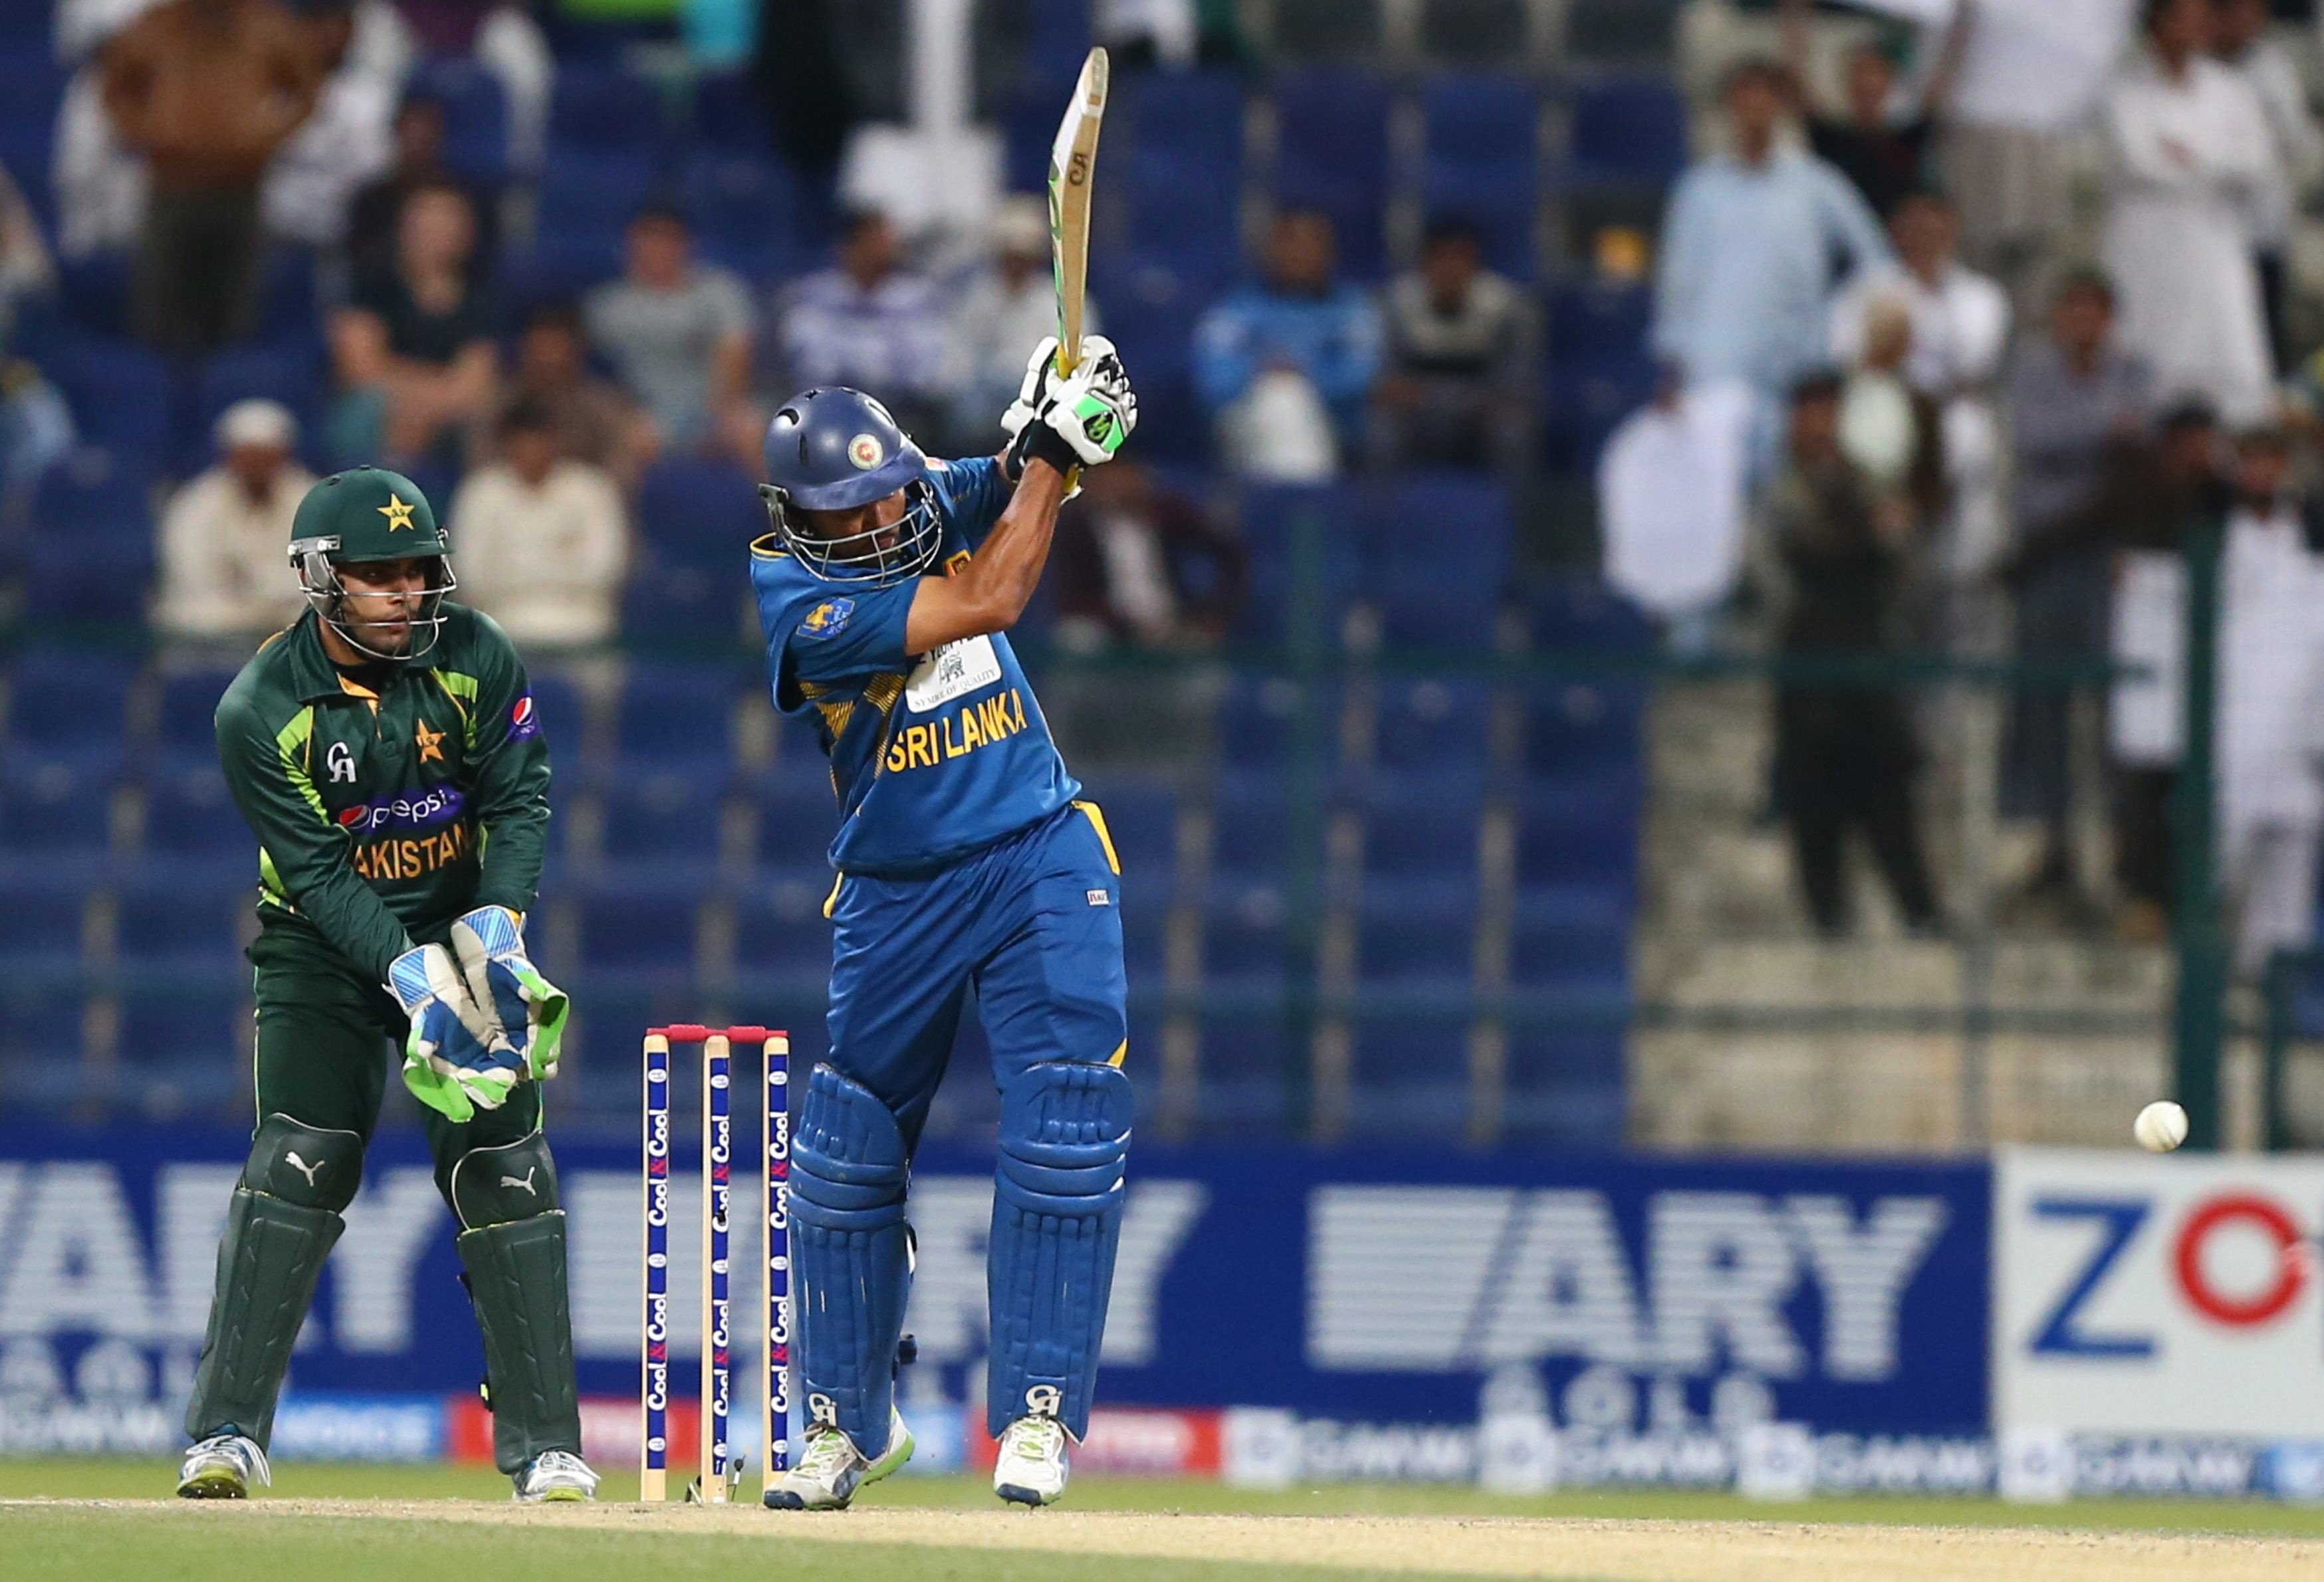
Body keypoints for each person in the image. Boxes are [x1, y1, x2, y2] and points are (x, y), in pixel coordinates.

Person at [746, 336, 1138, 1511]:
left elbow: (1017, 473)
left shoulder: (920, 496)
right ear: (797, 524)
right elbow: (993, 593)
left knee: (1067, 1119)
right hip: (897, 888)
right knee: (846, 1151)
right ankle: (844, 1431)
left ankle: (1036, 1419)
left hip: (1037, 849)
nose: (877, 528)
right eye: (846, 516)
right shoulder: (800, 601)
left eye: (886, 499)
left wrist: (1067, 420)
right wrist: (1053, 469)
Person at [178, 465, 592, 1504]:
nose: (408, 594)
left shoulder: (477, 655)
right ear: (322, 579)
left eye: (418, 571)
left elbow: (521, 793)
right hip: (321, 951)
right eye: (380, 577)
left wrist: (495, 929)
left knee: (508, 1167)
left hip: (460, 935)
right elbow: (316, 874)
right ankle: (225, 1435)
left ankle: (546, 1447)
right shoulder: (258, 711)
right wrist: (411, 976)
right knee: (301, 1162)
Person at [1763, 370, 1945, 937]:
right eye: (1808, 409)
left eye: (1828, 409)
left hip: (1867, 657)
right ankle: (1828, 916)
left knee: (1888, 794)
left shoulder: (1866, 482)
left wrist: (1868, 528)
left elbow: (1901, 552)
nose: (1818, 422)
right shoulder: (1780, 488)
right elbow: (1781, 561)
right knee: (1812, 798)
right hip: (1806, 657)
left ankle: (1919, 912)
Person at [1999, 271, 2152, 918]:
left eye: (2094, 310)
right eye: (2071, 308)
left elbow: (2140, 447)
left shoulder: (2136, 372)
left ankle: (2121, 851)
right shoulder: (2033, 372)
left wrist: (2095, 437)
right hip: (2046, 560)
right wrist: (2099, 430)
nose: (2082, 321)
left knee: (2117, 713)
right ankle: (2051, 846)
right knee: (2043, 703)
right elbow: (2033, 438)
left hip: (2110, 562)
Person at [1653, 59, 1891, 403]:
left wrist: (1839, 331)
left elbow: (1876, 261)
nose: (1755, 108)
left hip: (1797, 367)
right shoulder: (1698, 189)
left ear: (1780, 105)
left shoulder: (1817, 183)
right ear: (1729, 106)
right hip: (1715, 366)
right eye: (1744, 96)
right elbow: (1677, 281)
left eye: (1766, 97)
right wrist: (1672, 365)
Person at [99, 0, 324, 352]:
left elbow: (308, 90)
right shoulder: (157, 26)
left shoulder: (265, 26)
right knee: (161, 310)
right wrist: (146, 132)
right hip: (172, 187)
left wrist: (268, 138)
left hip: (240, 187)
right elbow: (115, 88)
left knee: (236, 313)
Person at [2102, 0, 2277, 425]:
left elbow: (2257, 161)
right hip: (2147, 237)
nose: (2197, 26)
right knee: (2148, 346)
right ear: (2158, 24)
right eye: (2185, 16)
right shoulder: (2123, 88)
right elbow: (2139, 160)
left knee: (2229, 347)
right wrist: (2214, 159)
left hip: (2213, 234)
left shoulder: (2231, 88)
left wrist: (2190, 155)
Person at [2213, 426, 2324, 980]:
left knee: (2288, 888)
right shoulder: (2213, 540)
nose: (2263, 474)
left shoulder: (2307, 538)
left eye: (2273, 461)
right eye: (2252, 460)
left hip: (2299, 736)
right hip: (2234, 730)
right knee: (2221, 870)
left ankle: (2271, 998)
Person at [1193, 208, 1382, 479]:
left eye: (1310, 244)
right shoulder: (1236, 311)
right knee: (1280, 398)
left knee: (1289, 395)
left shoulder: (1353, 311)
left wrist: (1299, 374)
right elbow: (1215, 383)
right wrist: (1265, 375)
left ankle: (1286, 503)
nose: (1299, 254)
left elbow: (1358, 379)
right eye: (1290, 243)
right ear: (1270, 251)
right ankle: (1305, 502)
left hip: (1336, 422)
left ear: (1330, 252)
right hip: (1247, 419)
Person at [330, 179, 499, 466]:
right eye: (426, 219)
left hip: (450, 417)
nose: (437, 230)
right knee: (370, 408)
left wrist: (423, 401)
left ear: (468, 232)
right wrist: (424, 394)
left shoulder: (483, 300)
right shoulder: (371, 286)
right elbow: (361, 370)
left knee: (485, 420)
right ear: (404, 227)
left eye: (449, 219)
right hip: (376, 408)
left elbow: (475, 385)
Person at [448, 397, 630, 647]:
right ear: (506, 444)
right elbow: (471, 577)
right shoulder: (481, 492)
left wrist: (516, 567)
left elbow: (606, 570)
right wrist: (560, 563)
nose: (532, 450)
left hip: (583, 626)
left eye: (540, 440)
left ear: (557, 441)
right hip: (501, 626)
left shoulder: (591, 489)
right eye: (523, 441)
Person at [582, 203, 755, 456]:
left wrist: (712, 416)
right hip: (642, 412)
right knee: (630, 437)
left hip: (716, 408)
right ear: (632, 243)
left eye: (668, 238)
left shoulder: (719, 290)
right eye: (648, 238)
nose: (658, 248)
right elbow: (596, 376)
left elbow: (735, 358)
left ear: (687, 244)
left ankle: (775, 497)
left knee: (754, 430)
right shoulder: (607, 305)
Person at [1369, 217, 1536, 475]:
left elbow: (1513, 391)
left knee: (1512, 431)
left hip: (1480, 421)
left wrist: (1441, 397)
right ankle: (1381, 514)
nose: (1450, 270)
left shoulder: (1507, 307)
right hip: (1418, 419)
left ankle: (1514, 513)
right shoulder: (1396, 304)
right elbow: (1388, 386)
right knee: (1382, 429)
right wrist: (1450, 398)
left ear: (1475, 265)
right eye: (1440, 259)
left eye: (1461, 259)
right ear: (1425, 265)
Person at [774, 208, 955, 443]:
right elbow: (811, 363)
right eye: (874, 240)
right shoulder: (815, 295)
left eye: (886, 241)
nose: (883, 249)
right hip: (831, 413)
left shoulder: (915, 297)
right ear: (850, 246)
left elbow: (928, 370)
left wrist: (870, 372)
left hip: (903, 413)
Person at [1779, 0, 1968, 220]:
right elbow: (1797, 81)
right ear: (1847, 81)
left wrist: (1962, 20)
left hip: (1896, 246)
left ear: (1889, 82)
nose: (1867, 82)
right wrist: (1795, 13)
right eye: (1860, 73)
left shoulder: (1906, 138)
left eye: (1875, 73)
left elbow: (1942, 84)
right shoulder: (1830, 136)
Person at [2212, 0, 2324, 368]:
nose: (2254, 22)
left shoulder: (2272, 69)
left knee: (2265, 323)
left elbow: (2298, 141)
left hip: (2264, 223)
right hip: (2212, 225)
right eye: (2245, 12)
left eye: (2258, 14)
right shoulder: (2202, 65)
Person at [154, 399, 316, 640]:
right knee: (195, 616)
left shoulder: (310, 497)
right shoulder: (197, 501)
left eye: (266, 456)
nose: (256, 465)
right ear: (230, 456)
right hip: (221, 609)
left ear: (283, 456)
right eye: (248, 455)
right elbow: (190, 573)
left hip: (288, 607)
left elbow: (319, 570)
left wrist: (265, 588)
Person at [1052, 457, 1248, 649]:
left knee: (1200, 649)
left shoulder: (1168, 514)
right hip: (1107, 625)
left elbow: (1227, 553)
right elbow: (1072, 592)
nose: (1115, 485)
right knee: (1078, 637)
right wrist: (1128, 625)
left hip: (1173, 619)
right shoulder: (1076, 528)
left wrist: (1212, 613)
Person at [949, 195, 1094, 452]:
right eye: (1009, 255)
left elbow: (1078, 367)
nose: (1015, 264)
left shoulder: (1059, 301)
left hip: (1038, 401)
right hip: (981, 405)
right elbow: (957, 354)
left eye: (1022, 256)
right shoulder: (978, 296)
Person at [486, 301, 653, 488]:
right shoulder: (500, 402)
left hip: (584, 503)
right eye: (542, 348)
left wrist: (588, 494)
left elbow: (620, 460)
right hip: (512, 501)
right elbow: (482, 461)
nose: (549, 358)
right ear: (526, 351)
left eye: (557, 348)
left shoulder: (602, 402)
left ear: (576, 352)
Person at [344, 91, 498, 282]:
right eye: (410, 133)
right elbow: (361, 260)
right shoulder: (372, 201)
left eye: (426, 135)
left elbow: (484, 262)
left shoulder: (468, 197)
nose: (418, 143)